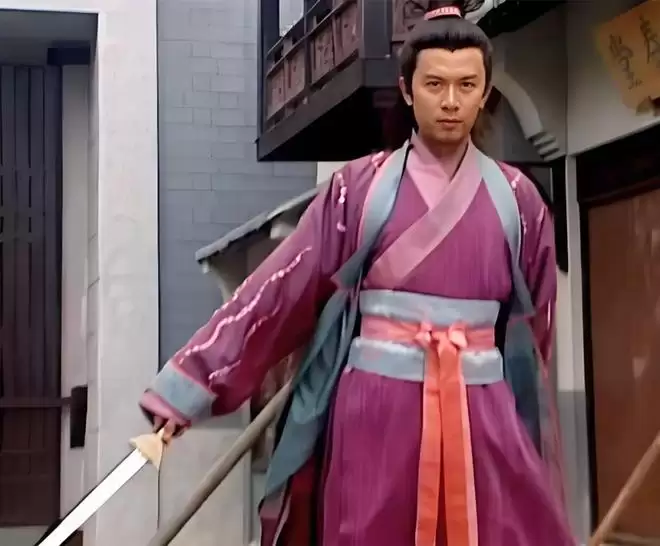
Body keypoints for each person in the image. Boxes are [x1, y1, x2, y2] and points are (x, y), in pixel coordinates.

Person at [139, 2, 575, 545]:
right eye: (435, 84)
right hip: (376, 409)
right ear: (408, 90)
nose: (450, 101)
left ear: (485, 92)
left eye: (467, 85)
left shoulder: (518, 200)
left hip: (481, 411)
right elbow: (279, 291)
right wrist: (190, 387)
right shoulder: (357, 190)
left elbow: (535, 328)